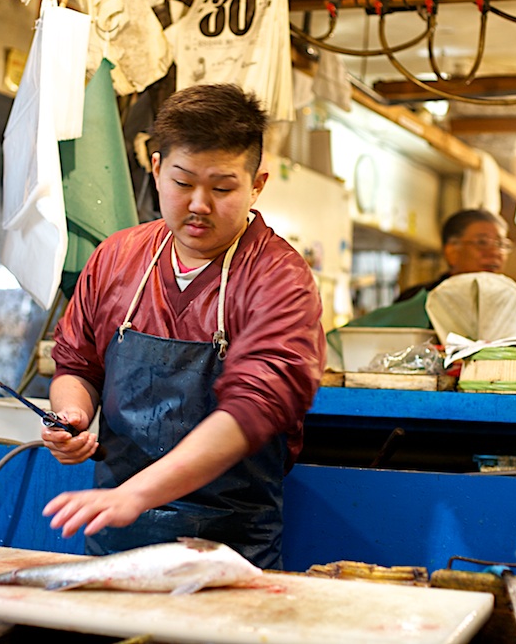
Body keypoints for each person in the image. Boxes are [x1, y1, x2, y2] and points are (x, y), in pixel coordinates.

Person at [42, 83, 326, 569]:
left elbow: (254, 409)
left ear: (257, 184)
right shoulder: (117, 257)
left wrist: (136, 495)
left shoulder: (280, 279)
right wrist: (72, 415)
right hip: (114, 535)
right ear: (156, 169)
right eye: (182, 182)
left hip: (228, 551)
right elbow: (77, 364)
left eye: (222, 188)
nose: (199, 204)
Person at [396, 209, 512, 304]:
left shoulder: (510, 302)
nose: (495, 252)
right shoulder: (416, 302)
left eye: (501, 244)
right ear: (452, 251)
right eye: (482, 242)